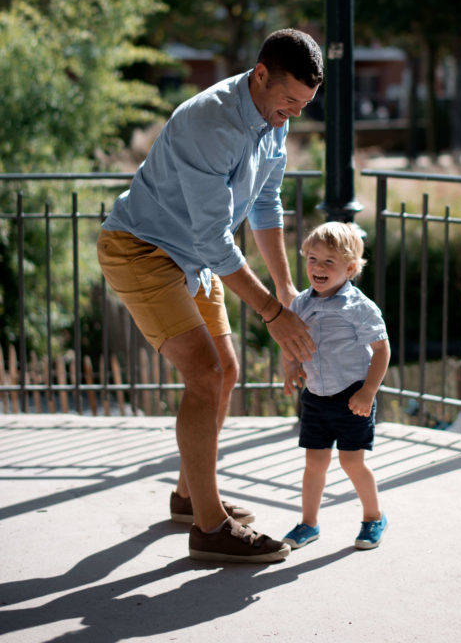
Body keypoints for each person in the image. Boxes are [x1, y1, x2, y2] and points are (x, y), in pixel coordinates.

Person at [97, 28, 323, 564]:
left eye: (304, 106)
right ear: (261, 75)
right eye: (289, 101)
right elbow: (213, 238)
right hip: (142, 250)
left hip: (191, 260)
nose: (292, 115)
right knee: (204, 374)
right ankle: (209, 527)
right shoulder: (211, 120)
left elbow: (266, 206)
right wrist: (271, 313)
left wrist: (286, 288)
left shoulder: (272, 124)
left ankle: (187, 498)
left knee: (226, 369)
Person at [281, 222, 391, 551]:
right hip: (315, 397)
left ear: (351, 268)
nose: (318, 267)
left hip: (352, 396)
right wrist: (291, 366)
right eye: (313, 259)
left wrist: (368, 392)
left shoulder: (358, 307)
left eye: (330, 262)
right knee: (314, 462)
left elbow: (382, 349)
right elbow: (291, 341)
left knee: (351, 462)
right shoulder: (300, 303)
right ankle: (308, 523)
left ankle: (374, 517)